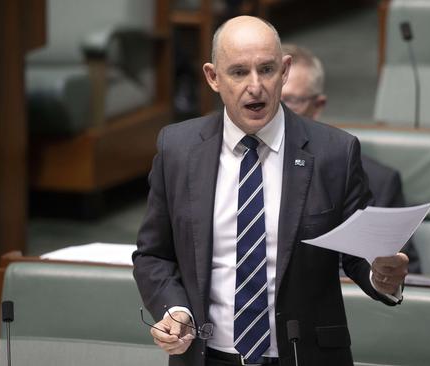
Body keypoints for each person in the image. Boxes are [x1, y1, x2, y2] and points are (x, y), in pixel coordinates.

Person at [133, 16, 409, 366]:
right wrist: (175, 308)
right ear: (213, 78)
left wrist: (382, 276)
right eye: (238, 72)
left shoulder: (334, 152)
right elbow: (153, 254)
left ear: (285, 70)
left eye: (266, 69)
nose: (255, 86)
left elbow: (359, 256)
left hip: (304, 355)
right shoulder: (178, 147)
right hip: (206, 356)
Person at [281, 44, 421, 273]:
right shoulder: (233, 169)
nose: (279, 111)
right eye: (270, 99)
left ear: (318, 107)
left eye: (291, 101)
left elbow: (400, 276)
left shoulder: (377, 183)